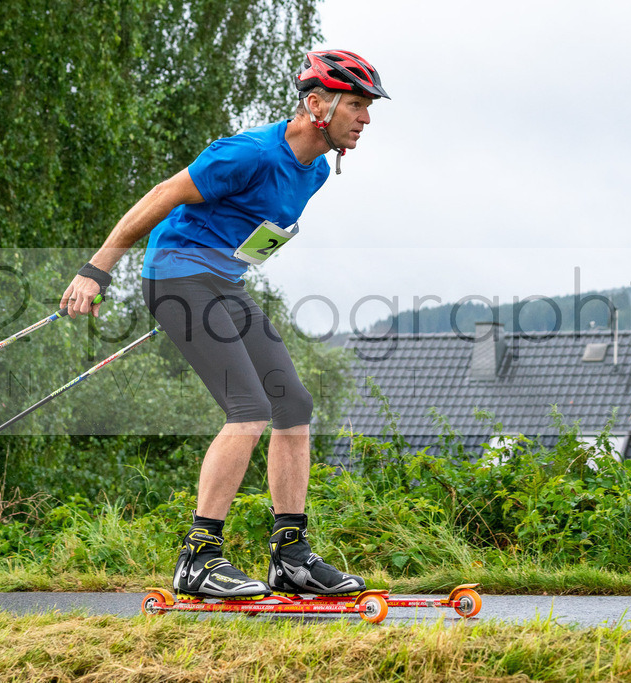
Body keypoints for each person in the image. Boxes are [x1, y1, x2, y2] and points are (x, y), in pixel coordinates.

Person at [60, 50, 390, 600]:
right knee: (250, 408)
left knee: (293, 404)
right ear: (316, 105)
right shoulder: (249, 154)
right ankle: (198, 558)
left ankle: (291, 558)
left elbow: (252, 233)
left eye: (367, 107)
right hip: (178, 278)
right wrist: (96, 270)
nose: (366, 119)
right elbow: (163, 196)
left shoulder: (314, 172)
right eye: (356, 104)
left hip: (223, 284)